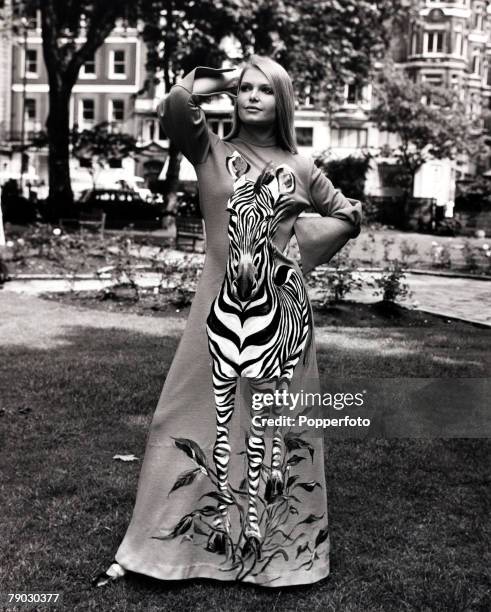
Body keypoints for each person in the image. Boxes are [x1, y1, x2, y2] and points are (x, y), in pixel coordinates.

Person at [93, 55, 362, 588]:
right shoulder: (213, 152)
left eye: (265, 88)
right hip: (211, 315)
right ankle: (165, 550)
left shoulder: (301, 168)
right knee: (179, 416)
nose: (252, 96)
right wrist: (227, 72)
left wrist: (294, 254)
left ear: (282, 99)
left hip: (281, 315)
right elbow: (176, 102)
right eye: (245, 89)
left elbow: (347, 214)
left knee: (275, 426)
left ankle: (277, 556)